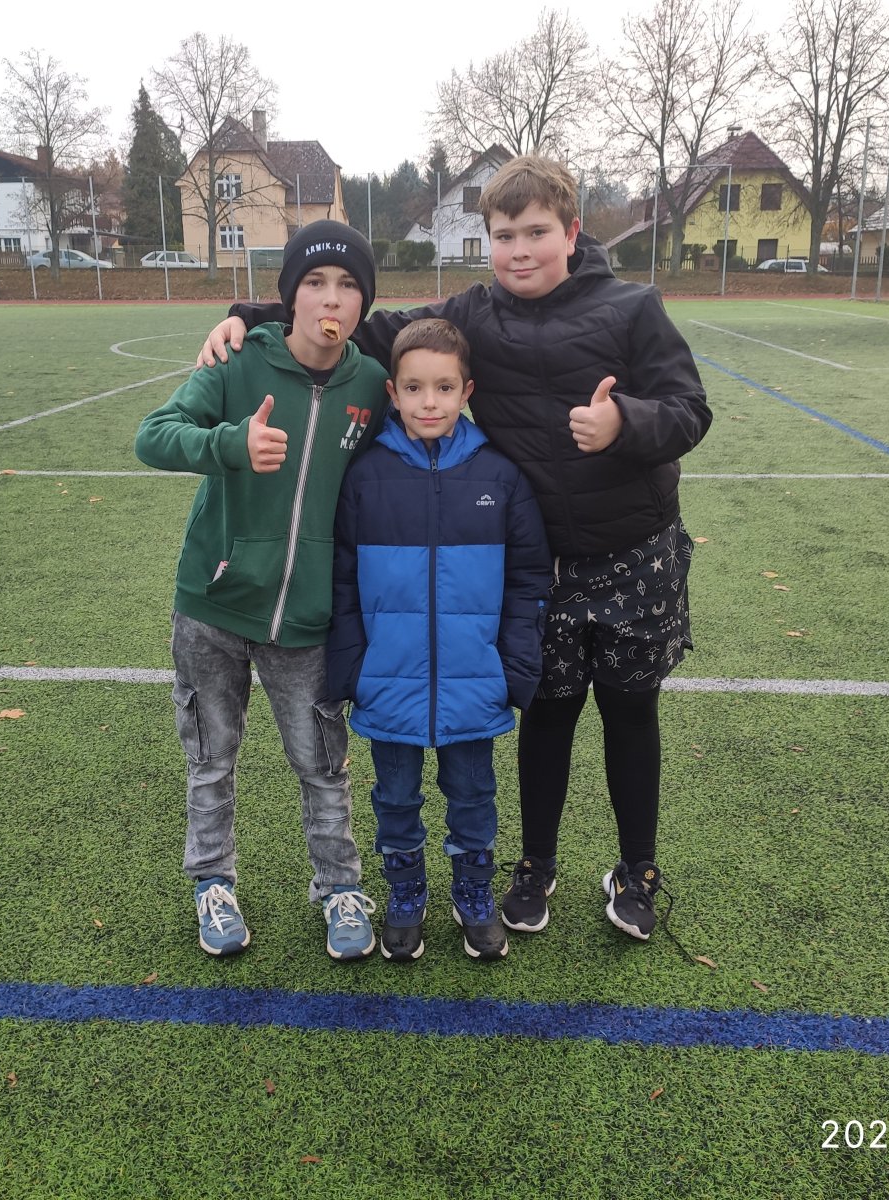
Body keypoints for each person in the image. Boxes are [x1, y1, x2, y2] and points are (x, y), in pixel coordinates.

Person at [198, 157, 713, 943]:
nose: (520, 250)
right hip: (542, 561)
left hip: (633, 550)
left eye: (536, 232)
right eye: (504, 235)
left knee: (631, 710)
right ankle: (534, 865)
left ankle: (637, 868)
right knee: (548, 713)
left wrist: (625, 423)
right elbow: (367, 329)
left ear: (573, 233)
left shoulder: (633, 309)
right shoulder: (474, 313)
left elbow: (689, 409)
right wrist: (253, 314)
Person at [136, 220, 389, 961]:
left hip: (306, 617)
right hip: (212, 605)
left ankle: (339, 887)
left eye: (347, 286)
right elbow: (154, 435)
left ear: (363, 303)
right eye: (314, 282)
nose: (330, 299)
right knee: (211, 758)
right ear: (289, 297)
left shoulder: (371, 385)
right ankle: (212, 882)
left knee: (322, 764)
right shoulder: (239, 361)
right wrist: (230, 444)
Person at [327, 318, 550, 962]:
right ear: (392, 393)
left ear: (466, 391)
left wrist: (512, 668)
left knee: (474, 795)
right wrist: (355, 667)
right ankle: (406, 895)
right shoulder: (364, 476)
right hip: (387, 681)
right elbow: (341, 579)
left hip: (474, 682)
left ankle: (473, 894)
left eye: (445, 388)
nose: (430, 402)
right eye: (414, 388)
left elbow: (529, 579)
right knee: (394, 797)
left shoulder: (500, 476)